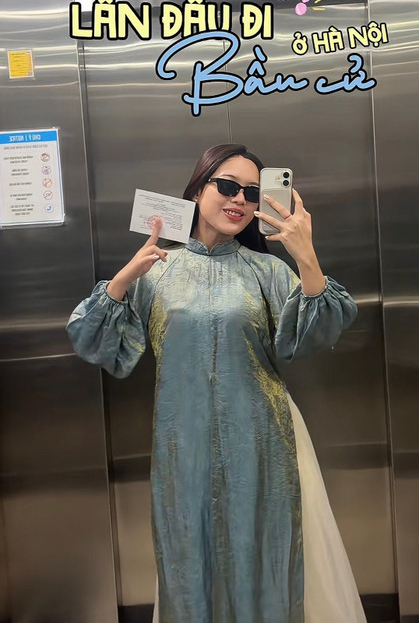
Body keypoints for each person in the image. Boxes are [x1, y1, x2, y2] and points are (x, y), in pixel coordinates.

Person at [66, 143, 367, 623]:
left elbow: (320, 331)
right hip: (182, 445)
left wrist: (305, 255)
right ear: (197, 189)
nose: (240, 199)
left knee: (267, 554)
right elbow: (94, 342)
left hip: (263, 440)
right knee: (189, 556)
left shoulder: (267, 270)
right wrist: (124, 279)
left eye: (251, 191)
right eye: (227, 186)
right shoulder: (157, 269)